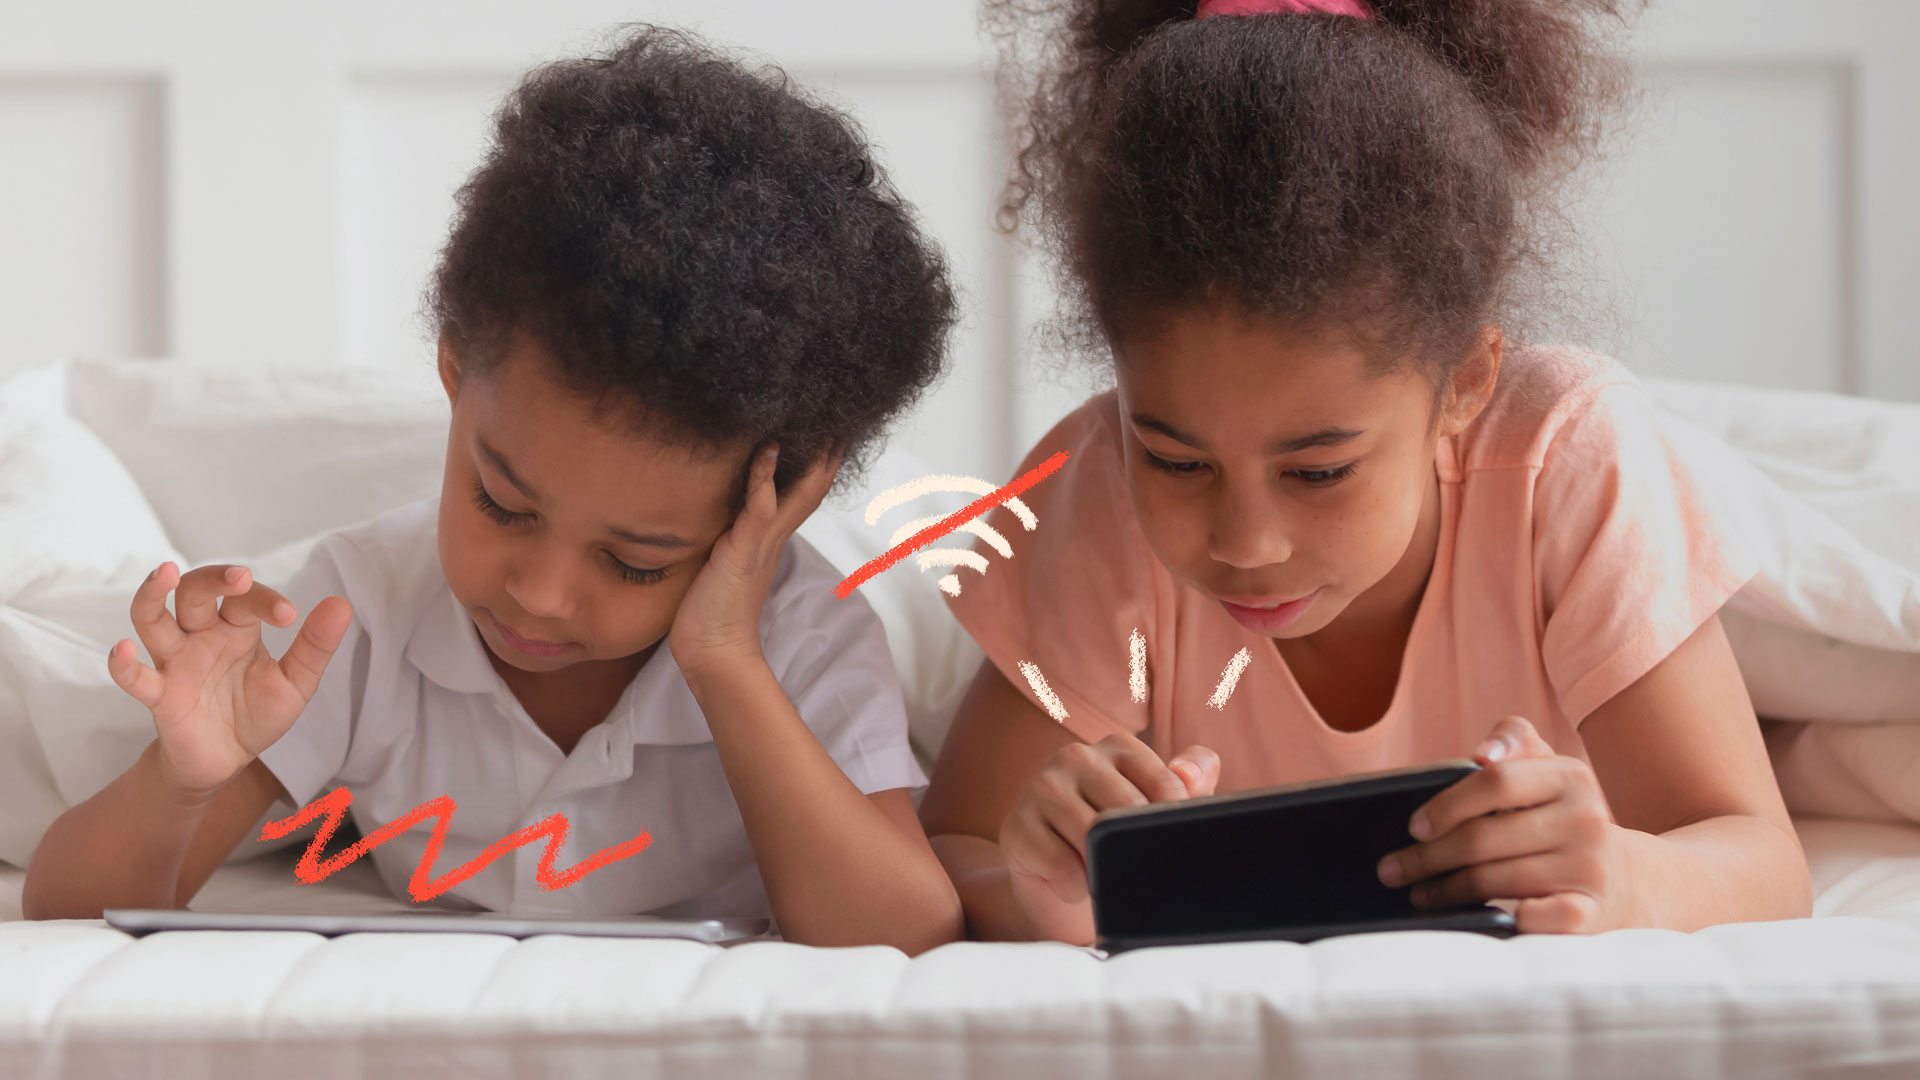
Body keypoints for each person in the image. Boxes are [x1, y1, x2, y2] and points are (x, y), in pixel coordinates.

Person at [25, 26, 965, 953]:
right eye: (503, 506)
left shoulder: (800, 639)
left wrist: (722, 657)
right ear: (452, 369)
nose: (541, 593)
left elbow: (909, 929)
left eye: (636, 562)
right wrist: (182, 779)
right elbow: (66, 912)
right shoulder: (353, 617)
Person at [920, 0, 1811, 944]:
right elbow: (954, 848)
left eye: (1319, 472)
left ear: (1464, 383)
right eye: (1177, 460)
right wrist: (1046, 890)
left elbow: (1759, 859)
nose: (1245, 543)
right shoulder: (1096, 489)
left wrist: (1628, 877)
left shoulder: (1566, 460)